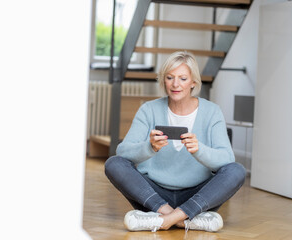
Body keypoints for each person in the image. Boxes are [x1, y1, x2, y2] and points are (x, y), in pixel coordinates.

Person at [104, 51, 246, 233]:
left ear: (193, 82)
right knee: (114, 163)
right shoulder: (148, 110)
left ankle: (162, 220)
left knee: (236, 170)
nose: (175, 84)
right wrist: (149, 147)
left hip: (196, 195)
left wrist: (199, 150)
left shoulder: (212, 112)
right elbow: (123, 152)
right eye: (170, 78)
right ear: (164, 80)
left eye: (183, 78)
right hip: (154, 195)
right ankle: (181, 218)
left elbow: (227, 158)